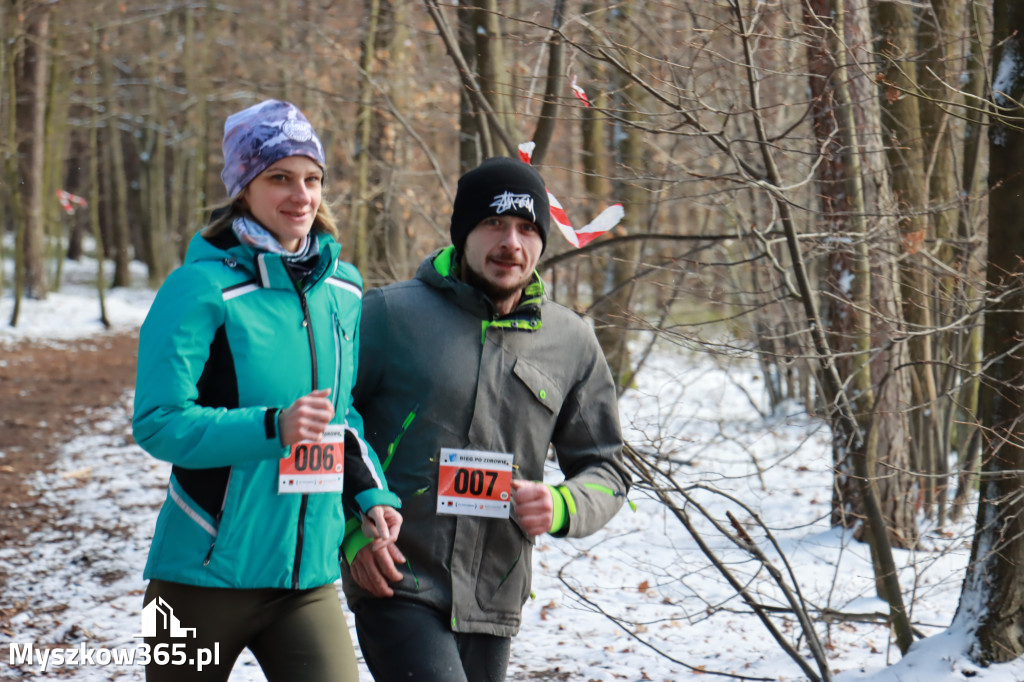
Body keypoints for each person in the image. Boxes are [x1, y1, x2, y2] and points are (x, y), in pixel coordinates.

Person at [132, 99, 401, 682]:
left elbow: (342, 415)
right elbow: (158, 420)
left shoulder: (343, 291)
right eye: (279, 177)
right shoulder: (198, 289)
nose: (300, 194)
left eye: (311, 179)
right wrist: (269, 428)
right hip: (200, 578)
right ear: (243, 188)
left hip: (304, 583)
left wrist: (371, 495)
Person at [340, 156, 631, 681]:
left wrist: (564, 504)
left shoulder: (571, 342)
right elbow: (332, 427)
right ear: (463, 232)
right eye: (493, 223)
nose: (511, 244)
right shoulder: (388, 315)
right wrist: (351, 533)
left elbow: (608, 471)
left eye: (526, 228)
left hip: (495, 593)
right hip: (398, 578)